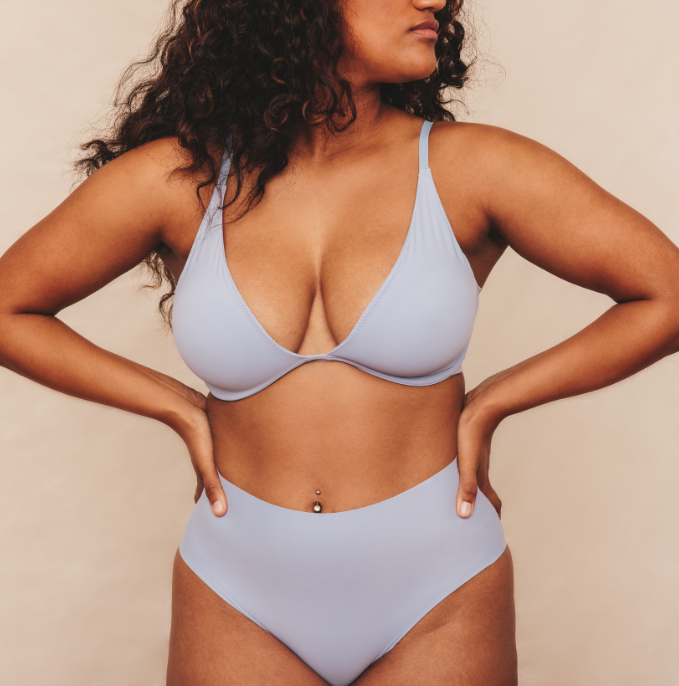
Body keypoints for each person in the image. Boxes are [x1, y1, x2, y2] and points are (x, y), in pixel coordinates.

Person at [1, 0, 678, 684]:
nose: (436, 0)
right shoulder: (180, 179)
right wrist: (172, 404)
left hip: (438, 585)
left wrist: (494, 400)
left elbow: (666, 294)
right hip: (236, 587)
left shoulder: (472, 168)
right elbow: (9, 308)